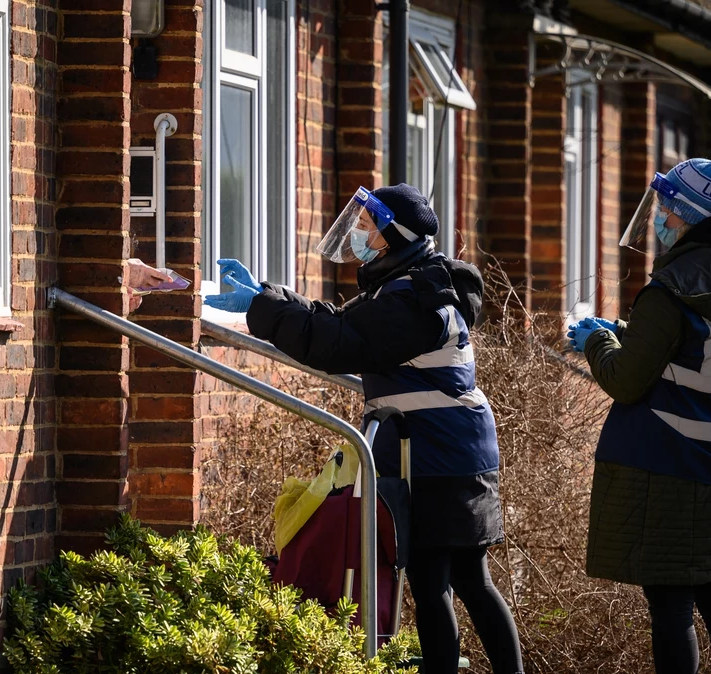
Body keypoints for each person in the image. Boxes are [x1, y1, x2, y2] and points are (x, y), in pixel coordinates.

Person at [207, 184, 524, 674]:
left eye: (368, 224)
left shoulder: (414, 300)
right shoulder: (408, 284)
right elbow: (337, 320)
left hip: (440, 457)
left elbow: (339, 343)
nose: (359, 232)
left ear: (393, 235)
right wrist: (267, 296)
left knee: (439, 577)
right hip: (450, 452)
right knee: (460, 577)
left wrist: (262, 311)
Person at [569, 148, 711, 674]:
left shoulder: (668, 290)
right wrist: (626, 337)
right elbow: (700, 356)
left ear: (686, 213)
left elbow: (626, 381)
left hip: (670, 470)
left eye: (664, 207)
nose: (656, 217)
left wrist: (595, 343)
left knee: (671, 603)